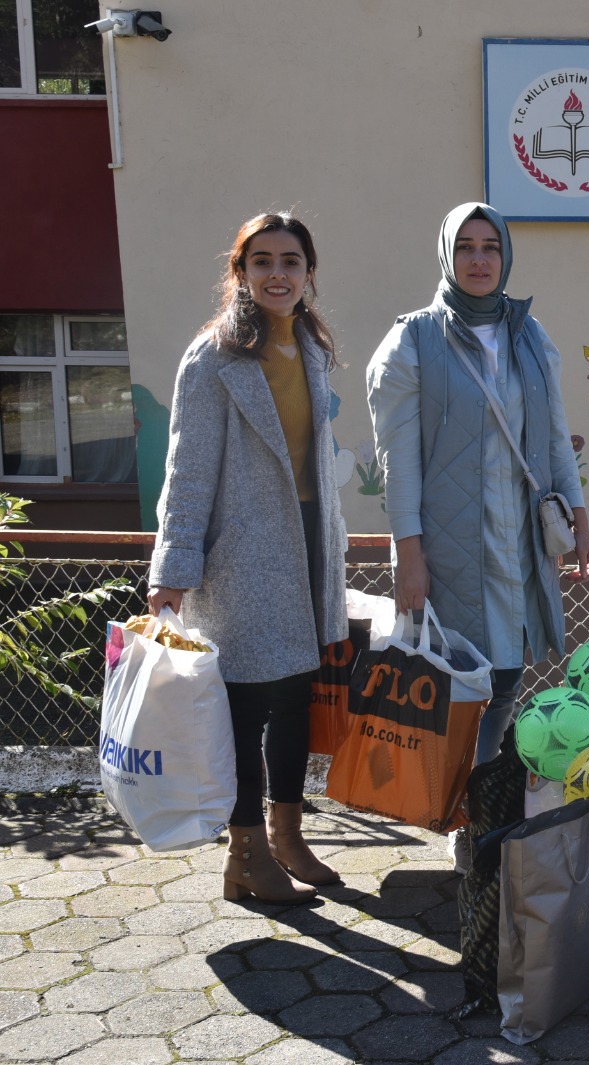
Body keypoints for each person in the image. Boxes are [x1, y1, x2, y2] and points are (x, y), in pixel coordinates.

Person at [149, 212, 350, 903]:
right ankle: (245, 855)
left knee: (297, 698)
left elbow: (317, 461)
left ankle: (288, 835)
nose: (277, 273)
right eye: (260, 260)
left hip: (307, 542)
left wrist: (338, 546)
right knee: (244, 706)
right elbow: (188, 471)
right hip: (241, 553)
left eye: (290, 261)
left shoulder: (313, 349)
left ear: (308, 273)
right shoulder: (214, 358)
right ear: (239, 273)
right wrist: (172, 571)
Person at [366, 202, 589, 789]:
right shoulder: (412, 341)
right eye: (465, 246)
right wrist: (409, 557)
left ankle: (473, 803)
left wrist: (581, 522)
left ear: (505, 256)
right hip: (446, 545)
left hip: (517, 537)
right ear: (447, 254)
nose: (478, 258)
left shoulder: (530, 336)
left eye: (490, 246)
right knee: (454, 681)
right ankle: (441, 798)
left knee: (505, 678)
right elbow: (400, 464)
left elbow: (553, 439)